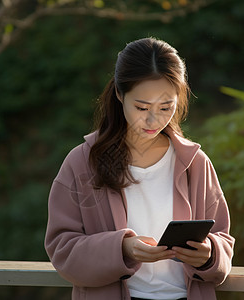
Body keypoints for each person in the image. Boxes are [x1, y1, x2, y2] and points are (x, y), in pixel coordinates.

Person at [45, 37, 234, 300]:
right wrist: (121, 248)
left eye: (166, 107)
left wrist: (210, 254)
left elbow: (223, 241)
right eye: (142, 107)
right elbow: (62, 249)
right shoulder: (82, 163)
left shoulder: (195, 163)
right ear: (120, 95)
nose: (153, 119)